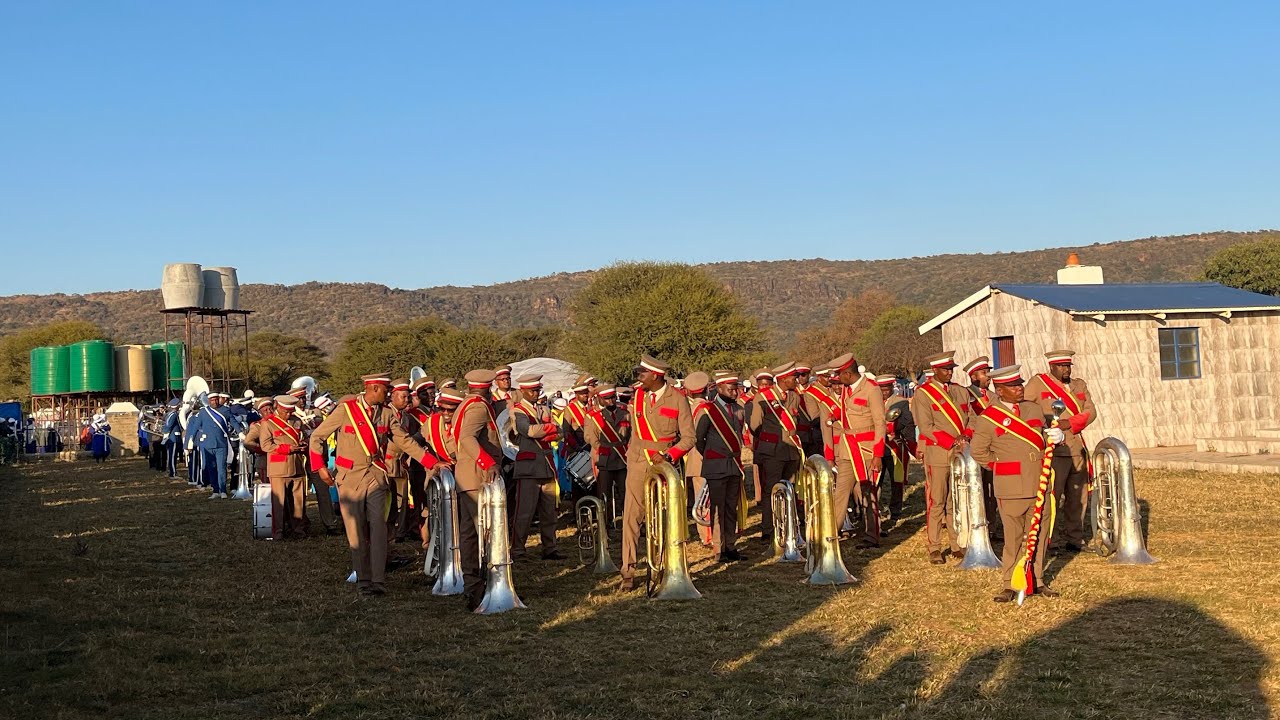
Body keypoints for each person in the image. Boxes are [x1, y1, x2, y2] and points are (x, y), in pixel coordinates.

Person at [309, 374, 440, 596]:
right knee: (356, 530)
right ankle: (363, 579)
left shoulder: (387, 414)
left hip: (377, 475)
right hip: (349, 477)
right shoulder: (346, 410)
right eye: (386, 389)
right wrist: (320, 467)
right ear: (374, 388)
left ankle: (378, 581)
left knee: (378, 527)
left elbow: (404, 441)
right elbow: (317, 437)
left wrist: (432, 463)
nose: (389, 393)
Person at [969, 365, 1063, 602]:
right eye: (1012, 386)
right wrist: (1003, 466)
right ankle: (1010, 582)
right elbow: (979, 452)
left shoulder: (1033, 409)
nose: (1019, 388)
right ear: (999, 391)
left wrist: (1055, 437)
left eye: (1019, 384)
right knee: (1013, 537)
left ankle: (1037, 579)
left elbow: (1040, 438)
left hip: (1039, 482)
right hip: (1011, 486)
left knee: (1040, 533)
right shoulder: (988, 418)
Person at [619, 355, 694, 592]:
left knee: (663, 518)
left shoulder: (678, 399)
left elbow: (689, 437)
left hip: (664, 463)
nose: (638, 377)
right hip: (639, 460)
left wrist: (671, 454)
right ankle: (628, 572)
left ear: (656, 375)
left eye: (642, 374)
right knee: (632, 516)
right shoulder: (638, 396)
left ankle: (663, 566)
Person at [1023, 350, 1097, 552]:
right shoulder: (1038, 384)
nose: (1066, 369)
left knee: (1078, 498)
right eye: (1062, 366)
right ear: (1052, 367)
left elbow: (1090, 412)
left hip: (1076, 448)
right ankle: (1051, 539)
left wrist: (1069, 423)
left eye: (1068, 366)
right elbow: (1025, 409)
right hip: (1053, 450)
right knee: (1052, 497)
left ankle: (1075, 538)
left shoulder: (1079, 385)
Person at [910, 351, 970, 564]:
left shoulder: (960, 392)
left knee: (956, 500)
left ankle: (956, 543)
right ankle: (934, 546)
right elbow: (925, 427)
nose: (949, 372)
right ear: (935, 370)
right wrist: (950, 441)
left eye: (951, 369)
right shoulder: (923, 394)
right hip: (939, 452)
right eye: (945, 369)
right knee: (938, 501)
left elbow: (970, 419)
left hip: (961, 451)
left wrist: (966, 436)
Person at [451, 369, 503, 610]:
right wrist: (488, 462)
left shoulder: (465, 404)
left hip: (468, 474)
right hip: (476, 476)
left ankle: (477, 585)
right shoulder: (479, 407)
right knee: (476, 533)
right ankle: (475, 589)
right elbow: (467, 438)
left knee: (474, 533)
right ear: (487, 388)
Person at [829, 355, 886, 547]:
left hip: (866, 449)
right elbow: (847, 412)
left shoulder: (872, 389)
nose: (837, 379)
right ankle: (831, 535)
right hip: (847, 449)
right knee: (840, 493)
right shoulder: (846, 389)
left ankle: (872, 535)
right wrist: (834, 416)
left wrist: (878, 454)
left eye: (839, 374)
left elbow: (880, 423)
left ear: (847, 373)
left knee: (868, 493)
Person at [748, 363, 805, 544]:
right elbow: (755, 425)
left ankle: (789, 526)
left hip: (791, 451)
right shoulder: (762, 397)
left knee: (790, 489)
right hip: (772, 451)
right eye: (793, 378)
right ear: (782, 379)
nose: (796, 380)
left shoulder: (794, 397)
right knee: (771, 490)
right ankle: (768, 529)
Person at [510, 374, 564, 560]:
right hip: (528, 468)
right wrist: (549, 430)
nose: (536, 393)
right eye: (533, 390)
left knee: (549, 512)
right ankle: (517, 550)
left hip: (546, 465)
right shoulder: (517, 411)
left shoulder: (543, 409)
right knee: (524, 512)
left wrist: (550, 432)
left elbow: (561, 431)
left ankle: (550, 548)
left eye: (538, 390)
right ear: (523, 391)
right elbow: (529, 431)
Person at [695, 370, 747, 561]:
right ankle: (719, 548)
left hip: (734, 464)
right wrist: (712, 456)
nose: (735, 393)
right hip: (716, 465)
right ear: (719, 388)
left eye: (736, 389)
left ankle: (730, 546)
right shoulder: (708, 410)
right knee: (717, 509)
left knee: (731, 508)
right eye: (731, 389)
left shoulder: (740, 410)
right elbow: (699, 440)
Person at [260, 395, 310, 539]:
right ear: (278, 407)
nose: (288, 415)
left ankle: (299, 530)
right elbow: (266, 445)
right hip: (279, 468)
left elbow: (305, 436)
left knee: (298, 501)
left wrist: (304, 444)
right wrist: (288, 448)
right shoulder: (268, 423)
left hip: (297, 466)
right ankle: (279, 531)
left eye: (290, 411)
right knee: (279, 503)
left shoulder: (297, 421)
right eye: (285, 412)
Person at [583, 382, 629, 524]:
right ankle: (605, 524)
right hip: (605, 458)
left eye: (613, 397)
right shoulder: (593, 416)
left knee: (626, 493)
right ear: (600, 399)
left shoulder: (625, 412)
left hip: (623, 458)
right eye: (607, 398)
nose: (611, 401)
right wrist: (604, 449)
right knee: (604, 494)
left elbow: (631, 433)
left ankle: (629, 522)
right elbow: (590, 437)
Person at [876, 374, 914, 530]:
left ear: (892, 388)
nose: (884, 392)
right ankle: (875, 510)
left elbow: (907, 421)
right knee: (876, 480)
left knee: (896, 481)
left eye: (887, 389)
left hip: (894, 446)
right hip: (878, 446)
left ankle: (896, 511)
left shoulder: (901, 402)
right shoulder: (874, 401)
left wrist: (893, 427)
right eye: (881, 389)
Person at [185, 393, 234, 497]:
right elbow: (195, 427)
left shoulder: (225, 410)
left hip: (221, 444)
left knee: (221, 468)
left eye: (216, 400)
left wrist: (241, 433)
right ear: (209, 400)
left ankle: (223, 490)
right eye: (212, 400)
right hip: (208, 444)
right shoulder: (203, 412)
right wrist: (190, 440)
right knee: (211, 468)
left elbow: (233, 422)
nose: (215, 402)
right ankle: (215, 490)